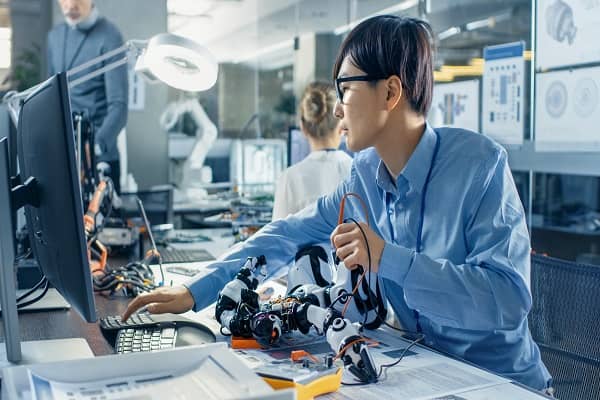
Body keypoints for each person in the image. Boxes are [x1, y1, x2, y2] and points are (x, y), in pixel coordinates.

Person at [123, 15, 552, 392]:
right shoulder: (363, 176)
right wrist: (196, 288)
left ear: (390, 93)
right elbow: (287, 234)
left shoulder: (480, 167)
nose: (337, 110)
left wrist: (388, 258)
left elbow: (508, 299)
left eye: (344, 89)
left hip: (502, 384)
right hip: (426, 375)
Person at [47, 0, 128, 193]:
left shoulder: (110, 35)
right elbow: (50, 100)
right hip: (65, 157)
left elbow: (119, 108)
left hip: (99, 157)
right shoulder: (54, 37)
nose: (71, 4)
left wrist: (95, 147)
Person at [272, 82, 352, 220]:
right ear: (341, 126)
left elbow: (277, 238)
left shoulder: (289, 179)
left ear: (303, 128)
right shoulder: (358, 172)